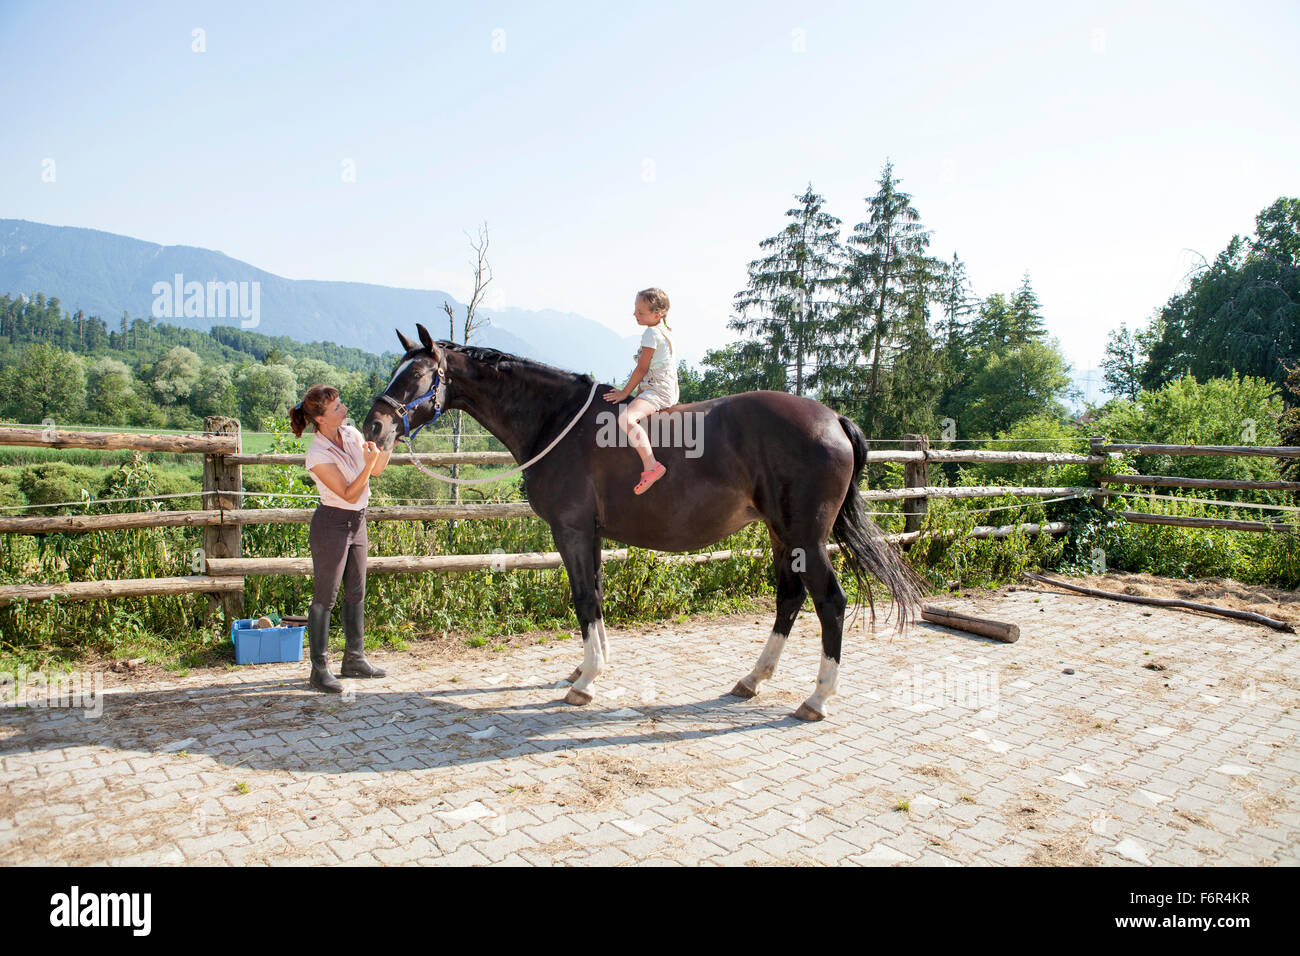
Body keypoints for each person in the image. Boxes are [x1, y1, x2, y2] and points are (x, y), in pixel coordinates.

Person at [289, 385, 391, 693]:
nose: (343, 409)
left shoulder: (351, 434)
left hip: (357, 521)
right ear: (320, 419)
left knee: (356, 591)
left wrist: (390, 442)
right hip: (332, 523)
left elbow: (378, 471)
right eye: (336, 408)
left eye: (340, 404)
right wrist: (370, 465)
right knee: (326, 596)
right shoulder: (316, 454)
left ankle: (354, 658)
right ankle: (318, 669)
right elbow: (348, 492)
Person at [602, 287, 678, 494]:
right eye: (636, 309)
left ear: (657, 314)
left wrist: (624, 393)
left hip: (657, 390)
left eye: (641, 312)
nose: (635, 314)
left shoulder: (651, 333)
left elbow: (642, 368)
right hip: (664, 387)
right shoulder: (663, 330)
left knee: (625, 419)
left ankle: (651, 464)